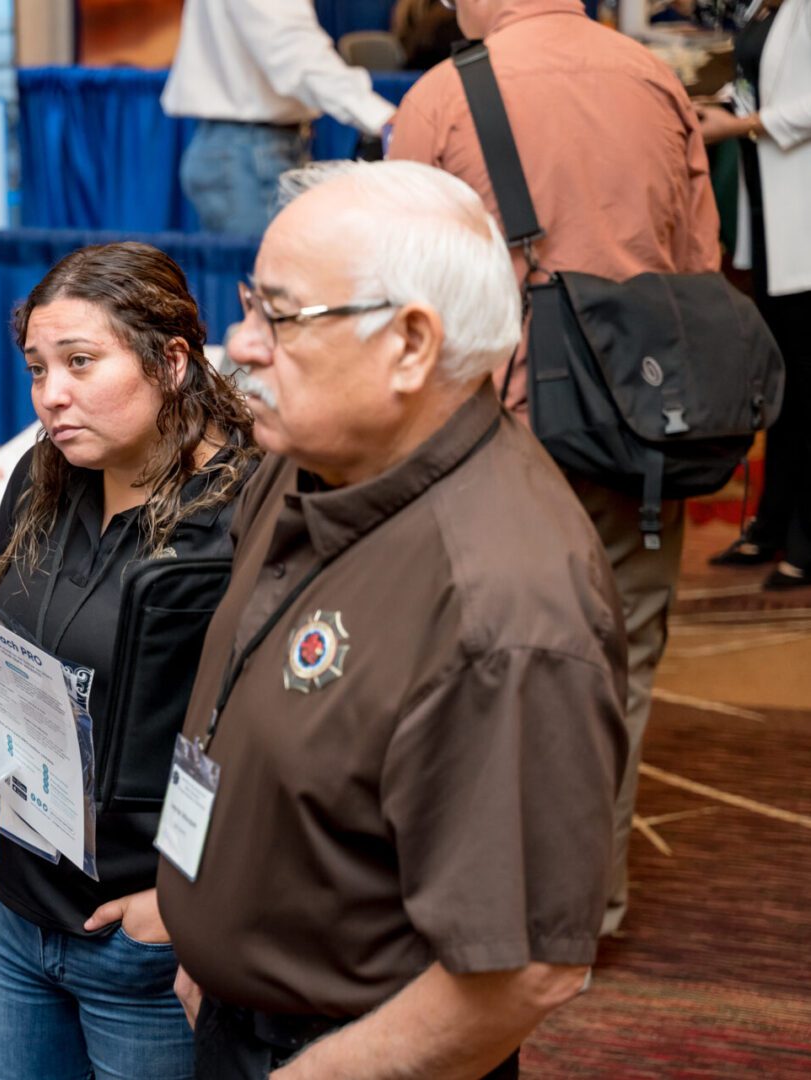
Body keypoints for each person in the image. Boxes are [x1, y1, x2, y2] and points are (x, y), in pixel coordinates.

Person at [155, 161, 627, 1077]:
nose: (242, 343)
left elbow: (522, 971)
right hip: (244, 1015)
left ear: (410, 345)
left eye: (280, 316)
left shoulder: (505, 608)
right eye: (250, 303)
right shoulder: (312, 457)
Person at [388, 0, 720, 936]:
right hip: (643, 425)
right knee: (622, 659)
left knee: (468, 659)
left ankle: (477, 904)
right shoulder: (656, 80)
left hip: (489, 431)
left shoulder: (446, 95)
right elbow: (701, 262)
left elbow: (394, 286)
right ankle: (583, 905)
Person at [0, 242, 261, 1079]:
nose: (52, 395)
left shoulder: (238, 518)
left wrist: (184, 910)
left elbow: (270, 744)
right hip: (18, 914)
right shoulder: (41, 480)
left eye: (81, 363)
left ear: (172, 361)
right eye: (38, 369)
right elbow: (22, 651)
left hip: (142, 940)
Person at [698, 0, 811, 591]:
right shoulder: (764, 7)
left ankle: (804, 538)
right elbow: (755, 87)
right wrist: (710, 109)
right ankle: (771, 525)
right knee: (783, 385)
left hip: (805, 218)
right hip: (770, 215)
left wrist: (738, 126)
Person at [161, 0, 399, 235]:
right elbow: (294, 52)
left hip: (248, 148)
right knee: (265, 269)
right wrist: (383, 118)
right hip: (250, 153)